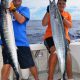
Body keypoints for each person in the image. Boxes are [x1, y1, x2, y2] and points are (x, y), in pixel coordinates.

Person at [1, 0, 39, 80]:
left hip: (22, 43)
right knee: (7, 64)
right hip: (7, 42)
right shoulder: (3, 9)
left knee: (30, 64)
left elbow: (21, 20)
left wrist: (13, 9)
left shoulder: (24, 9)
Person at [42, 0, 74, 80]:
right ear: (56, 4)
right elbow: (44, 23)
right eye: (59, 3)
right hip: (49, 37)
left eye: (63, 3)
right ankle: (50, 77)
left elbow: (70, 25)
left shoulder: (67, 14)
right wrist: (48, 11)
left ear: (65, 5)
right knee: (55, 51)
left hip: (64, 38)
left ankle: (70, 78)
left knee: (67, 53)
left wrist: (62, 18)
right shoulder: (51, 12)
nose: (61, 5)